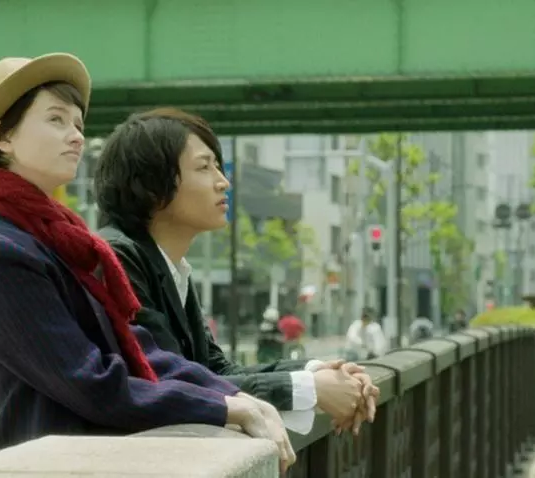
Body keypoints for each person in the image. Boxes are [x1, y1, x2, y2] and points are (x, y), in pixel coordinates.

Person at [0, 54, 296, 469]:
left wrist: (238, 397)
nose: (76, 136)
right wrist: (223, 408)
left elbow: (138, 349)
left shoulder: (60, 240)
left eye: (79, 124)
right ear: (3, 137)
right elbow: (89, 381)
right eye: (56, 120)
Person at [94, 107, 379, 436]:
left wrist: (320, 372)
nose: (223, 182)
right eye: (204, 167)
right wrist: (310, 388)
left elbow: (213, 369)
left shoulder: (167, 265)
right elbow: (169, 380)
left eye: (218, 166)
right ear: (150, 186)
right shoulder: (117, 258)